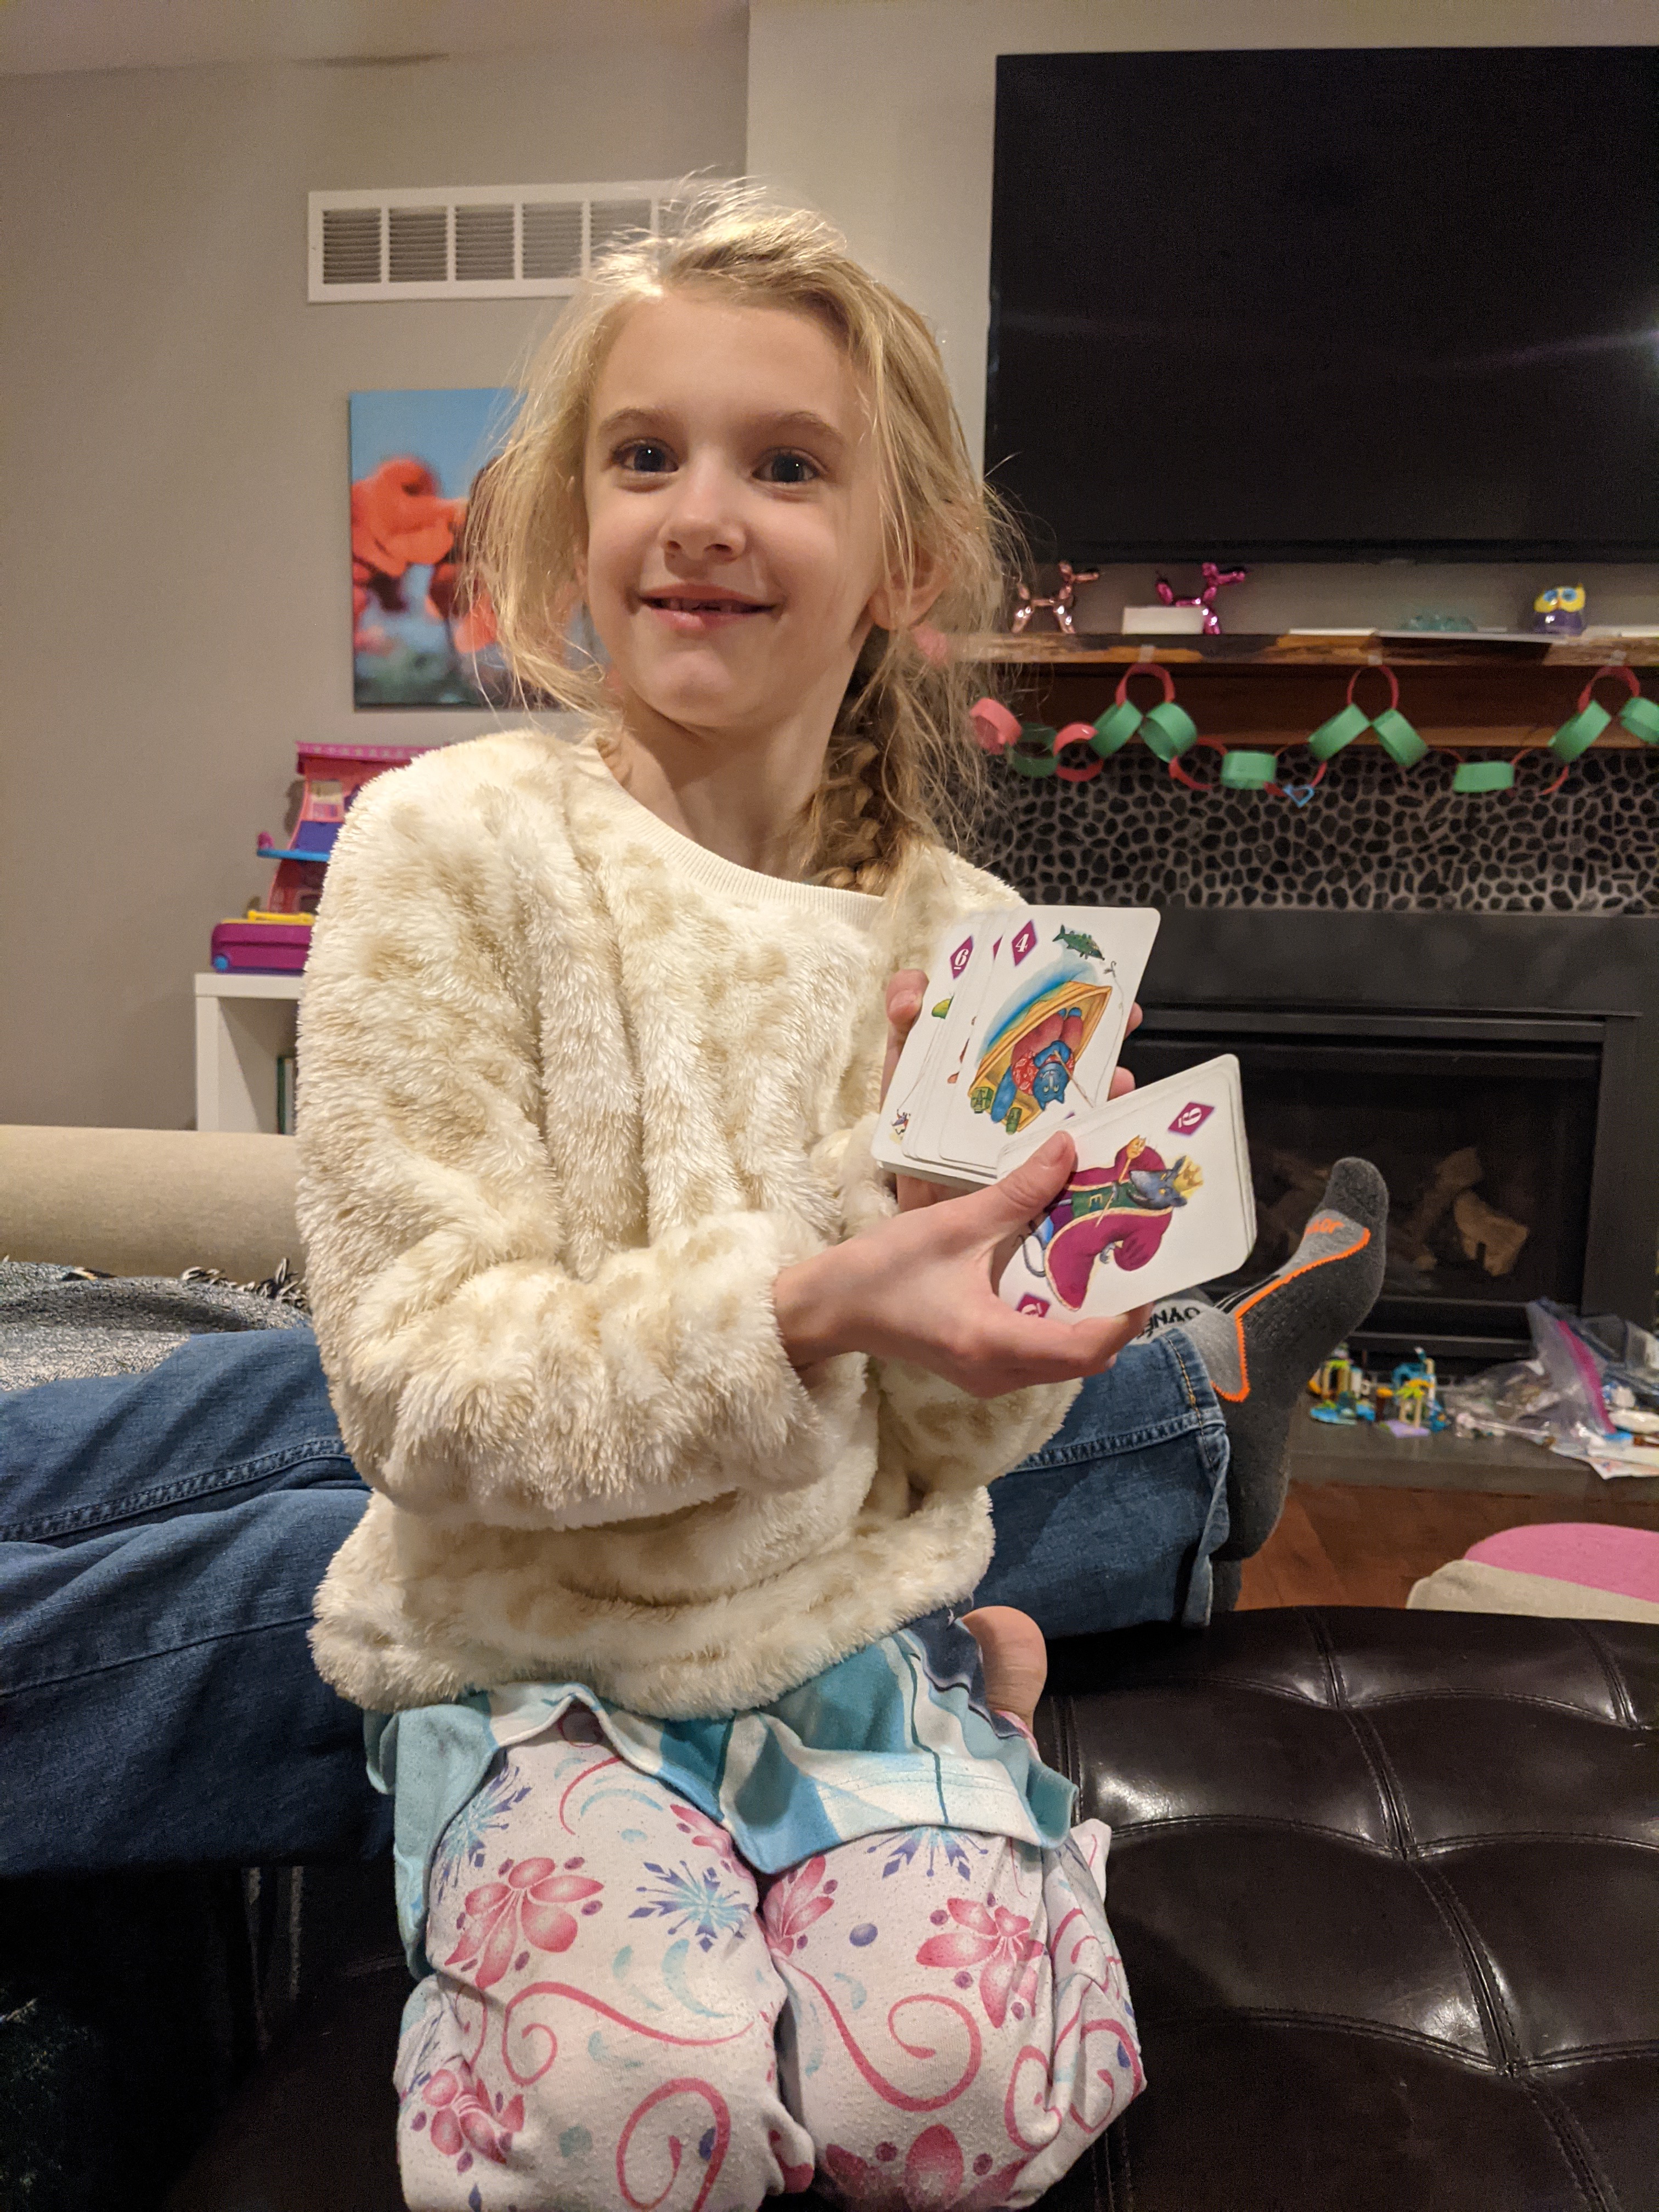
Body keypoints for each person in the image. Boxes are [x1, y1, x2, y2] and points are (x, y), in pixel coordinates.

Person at [267, 188, 1387, 2211]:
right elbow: (419, 1393)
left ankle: (986, 1708)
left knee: (958, 2103)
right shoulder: (448, 851)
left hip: (851, 1636)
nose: (704, 514)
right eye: (646, 455)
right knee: (637, 2125)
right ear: (573, 520)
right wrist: (811, 1294)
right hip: (532, 1658)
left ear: (906, 560)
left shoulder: (977, 942)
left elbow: (954, 1439)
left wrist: (1006, 1309)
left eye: (786, 466)